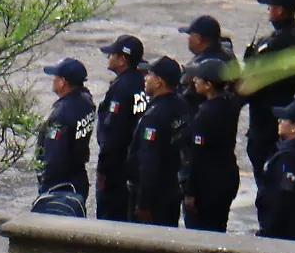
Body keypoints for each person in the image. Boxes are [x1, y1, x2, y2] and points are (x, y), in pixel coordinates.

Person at [241, 0, 295, 181]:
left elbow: (254, 80)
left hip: (266, 118)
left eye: (271, 7)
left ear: (280, 10)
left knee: (266, 176)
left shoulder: (277, 43)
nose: (268, 11)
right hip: (283, 108)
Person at [181, 58, 243, 233]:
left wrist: (190, 192)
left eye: (198, 79)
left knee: (201, 233)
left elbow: (198, 156)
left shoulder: (206, 114)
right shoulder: (230, 103)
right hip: (226, 176)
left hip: (208, 186)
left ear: (208, 85)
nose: (194, 81)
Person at [128, 56, 190, 227]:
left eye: (150, 75)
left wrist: (143, 203)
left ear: (159, 82)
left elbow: (149, 163)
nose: (146, 79)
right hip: (172, 188)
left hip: (156, 196)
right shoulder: (181, 104)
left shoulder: (155, 116)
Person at [95, 35, 147, 222]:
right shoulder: (142, 82)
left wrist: (102, 168)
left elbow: (113, 133)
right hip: (135, 162)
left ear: (122, 60)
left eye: (112, 55)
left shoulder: (121, 88)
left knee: (111, 217)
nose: (109, 58)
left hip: (118, 165)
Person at [258, 98, 295, 242]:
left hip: (287, 233)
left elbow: (281, 198)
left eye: (284, 119)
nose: (279, 121)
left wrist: (268, 231)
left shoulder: (288, 158)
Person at [36, 58, 94, 207]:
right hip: (79, 177)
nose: (53, 80)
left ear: (63, 82)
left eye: (55, 77)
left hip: (61, 186)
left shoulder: (61, 115)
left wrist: (45, 189)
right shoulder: (86, 101)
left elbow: (55, 158)